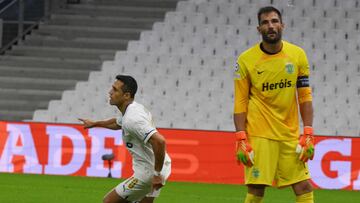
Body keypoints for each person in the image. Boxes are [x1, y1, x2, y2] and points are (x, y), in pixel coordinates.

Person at [233, 6, 315, 203]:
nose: (270, 26)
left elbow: (304, 96)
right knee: (256, 188)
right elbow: (241, 101)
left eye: (274, 21)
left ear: (282, 25)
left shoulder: (297, 55)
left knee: (304, 186)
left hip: (289, 133)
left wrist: (309, 132)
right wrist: (240, 137)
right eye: (265, 22)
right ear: (258, 28)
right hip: (260, 133)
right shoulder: (246, 60)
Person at [79, 75, 171, 203]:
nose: (110, 92)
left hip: (149, 172)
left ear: (126, 95)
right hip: (163, 165)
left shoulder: (132, 119)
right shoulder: (133, 109)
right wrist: (95, 124)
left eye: (115, 90)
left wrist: (156, 175)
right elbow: (117, 123)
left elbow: (159, 141)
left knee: (109, 202)